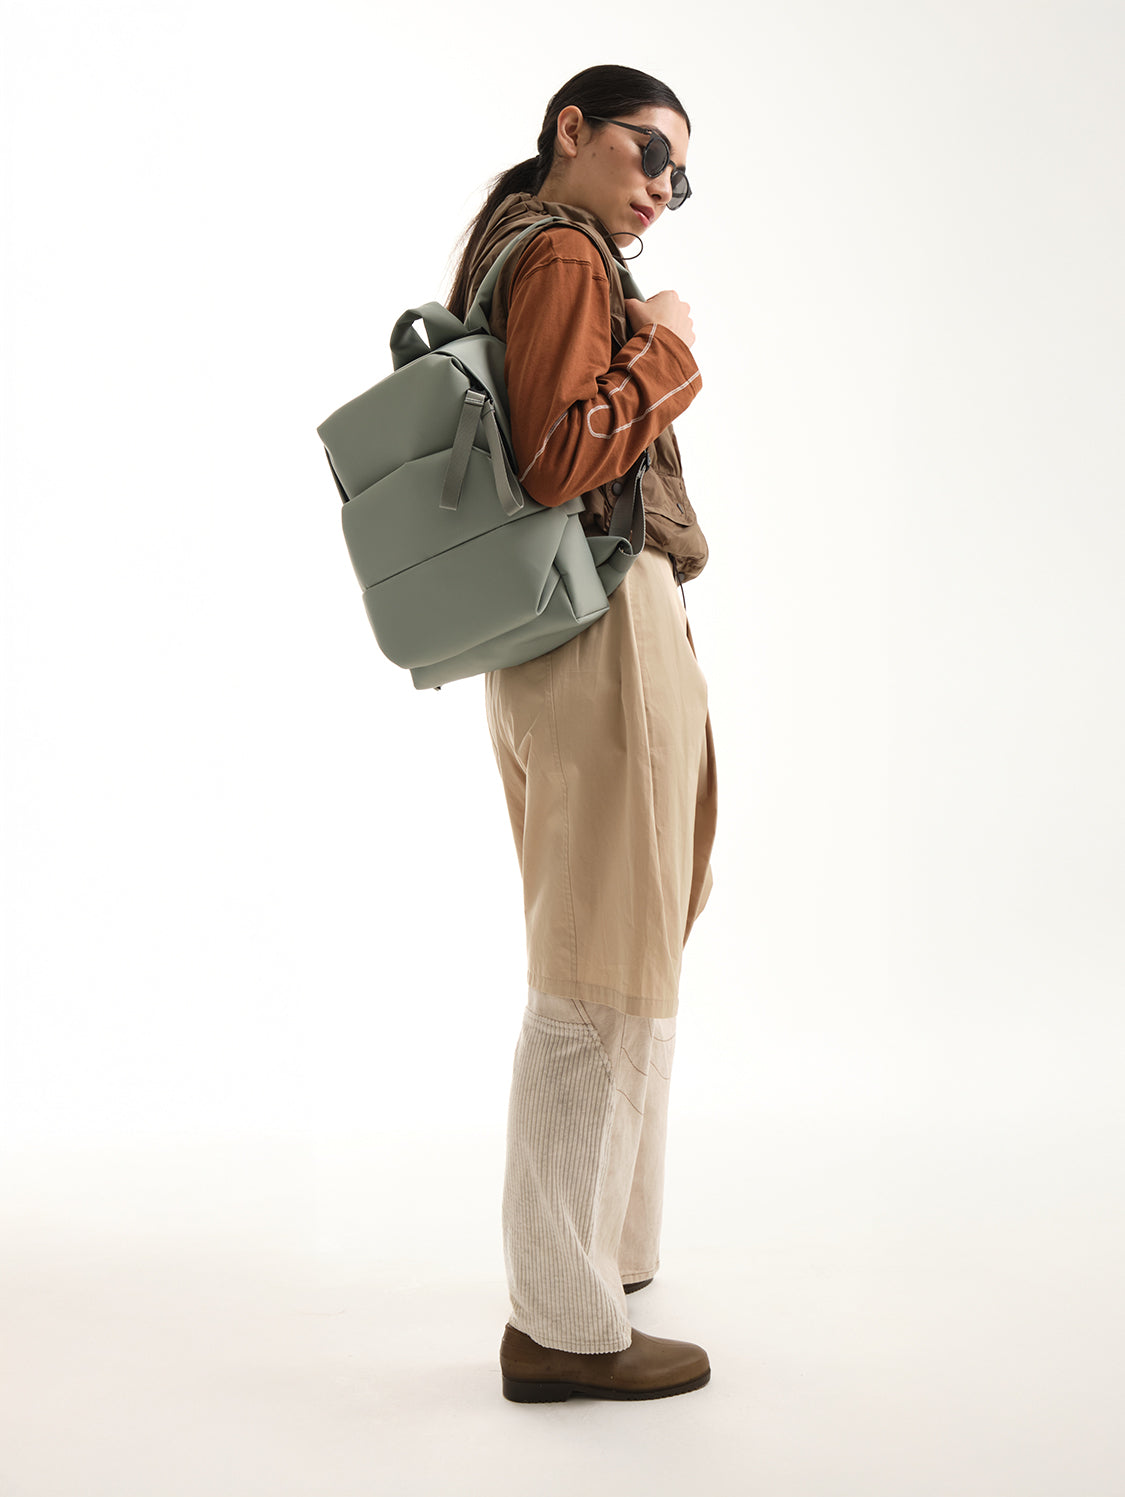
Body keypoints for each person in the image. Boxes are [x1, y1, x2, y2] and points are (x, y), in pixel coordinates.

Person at [446, 64, 718, 1403]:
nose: (663, 186)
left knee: (626, 929)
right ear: (571, 130)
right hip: (599, 630)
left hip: (570, 630)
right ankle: (558, 1322)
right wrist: (667, 348)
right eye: (648, 151)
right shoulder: (558, 251)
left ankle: (607, 1251)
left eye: (681, 175)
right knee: (599, 957)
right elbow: (560, 454)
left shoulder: (525, 245)